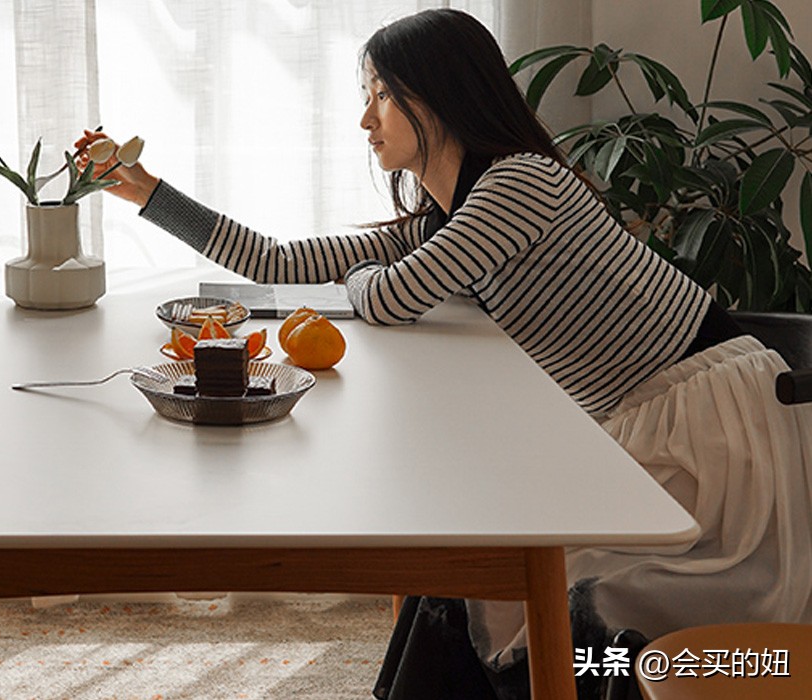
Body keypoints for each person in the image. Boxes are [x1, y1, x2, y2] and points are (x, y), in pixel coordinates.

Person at [81, 8, 812, 699]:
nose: (365, 119)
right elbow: (278, 259)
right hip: (644, 419)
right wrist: (150, 193)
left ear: (437, 100)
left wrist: (367, 278)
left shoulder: (520, 182)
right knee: (477, 574)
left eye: (381, 97)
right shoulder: (448, 215)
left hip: (708, 427)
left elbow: (390, 297)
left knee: (534, 595)